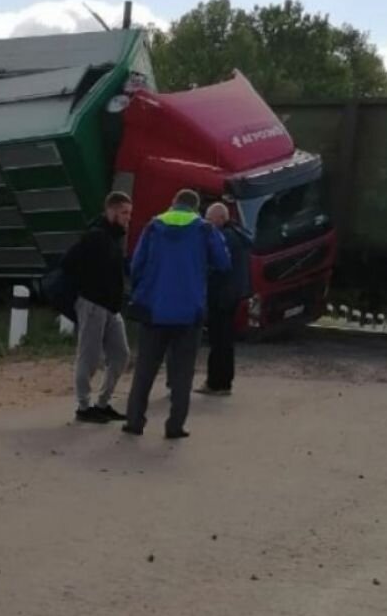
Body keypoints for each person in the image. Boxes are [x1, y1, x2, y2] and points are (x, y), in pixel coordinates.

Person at [122, 189, 230, 440]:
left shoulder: (153, 226)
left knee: (145, 370)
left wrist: (140, 290)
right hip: (189, 312)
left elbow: (136, 265)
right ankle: (175, 426)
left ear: (173, 203)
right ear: (196, 208)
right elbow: (224, 263)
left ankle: (135, 421)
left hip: (154, 309)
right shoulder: (205, 230)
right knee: (183, 373)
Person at [61, 191, 132, 424]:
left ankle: (103, 403)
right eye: (124, 213)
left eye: (129, 213)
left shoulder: (113, 237)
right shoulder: (95, 236)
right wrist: (86, 289)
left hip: (111, 307)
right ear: (111, 211)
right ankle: (84, 406)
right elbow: (69, 263)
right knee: (89, 357)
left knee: (121, 354)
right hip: (93, 304)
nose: (127, 218)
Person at [197, 203, 251, 396]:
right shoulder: (238, 235)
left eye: (210, 220)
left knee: (218, 340)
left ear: (221, 218)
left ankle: (215, 382)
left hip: (221, 295)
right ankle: (224, 382)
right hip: (233, 294)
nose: (208, 224)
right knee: (226, 341)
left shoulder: (224, 237)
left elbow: (217, 265)